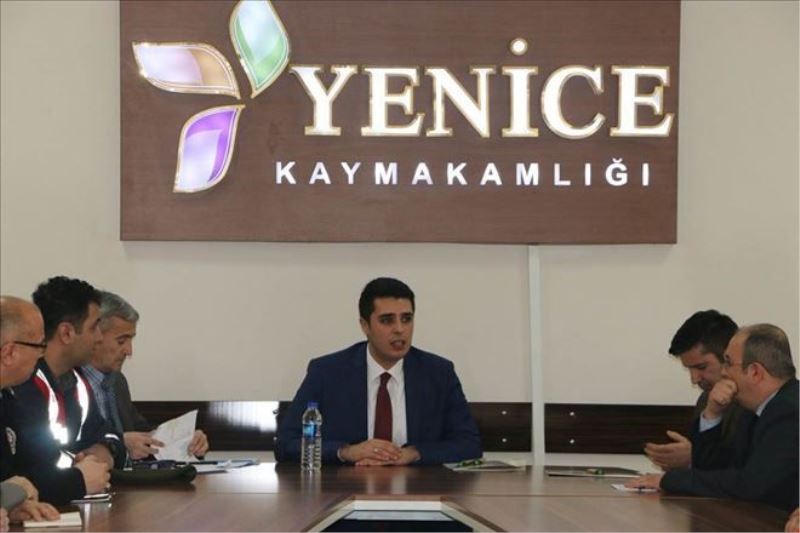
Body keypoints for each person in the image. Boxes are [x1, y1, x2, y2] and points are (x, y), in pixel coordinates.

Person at [275, 277, 482, 466]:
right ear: (365, 326)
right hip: (346, 488)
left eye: (406, 319)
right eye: (387, 320)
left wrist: (414, 453)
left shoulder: (438, 373)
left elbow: (469, 444)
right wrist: (346, 451)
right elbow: (286, 444)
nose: (399, 329)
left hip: (418, 488)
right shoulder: (327, 372)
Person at [628, 324, 799, 511]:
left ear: (755, 372)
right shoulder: (755, 411)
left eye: (728, 363)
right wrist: (712, 413)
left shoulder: (790, 411)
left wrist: (669, 480)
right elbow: (718, 471)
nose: (723, 372)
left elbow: (752, 485)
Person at [11, 277, 119, 504]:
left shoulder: (78, 380)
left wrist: (103, 450)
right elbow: (33, 470)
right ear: (67, 333)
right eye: (94, 327)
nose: (100, 337)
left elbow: (110, 434)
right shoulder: (23, 386)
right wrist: (79, 476)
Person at [83, 290, 209, 460]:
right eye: (121, 341)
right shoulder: (66, 383)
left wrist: (186, 441)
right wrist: (119, 444)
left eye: (130, 341)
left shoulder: (117, 382)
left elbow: (144, 434)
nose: (129, 351)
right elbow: (68, 447)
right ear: (94, 336)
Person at [644, 310, 745, 470]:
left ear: (728, 358)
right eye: (689, 369)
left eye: (701, 367)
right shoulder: (705, 400)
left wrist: (693, 458)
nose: (694, 379)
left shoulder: (756, 401)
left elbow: (747, 469)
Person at [0, 296, 61, 524]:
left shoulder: (8, 399)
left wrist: (12, 505)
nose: (41, 354)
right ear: (8, 353)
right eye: (39, 346)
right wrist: (11, 492)